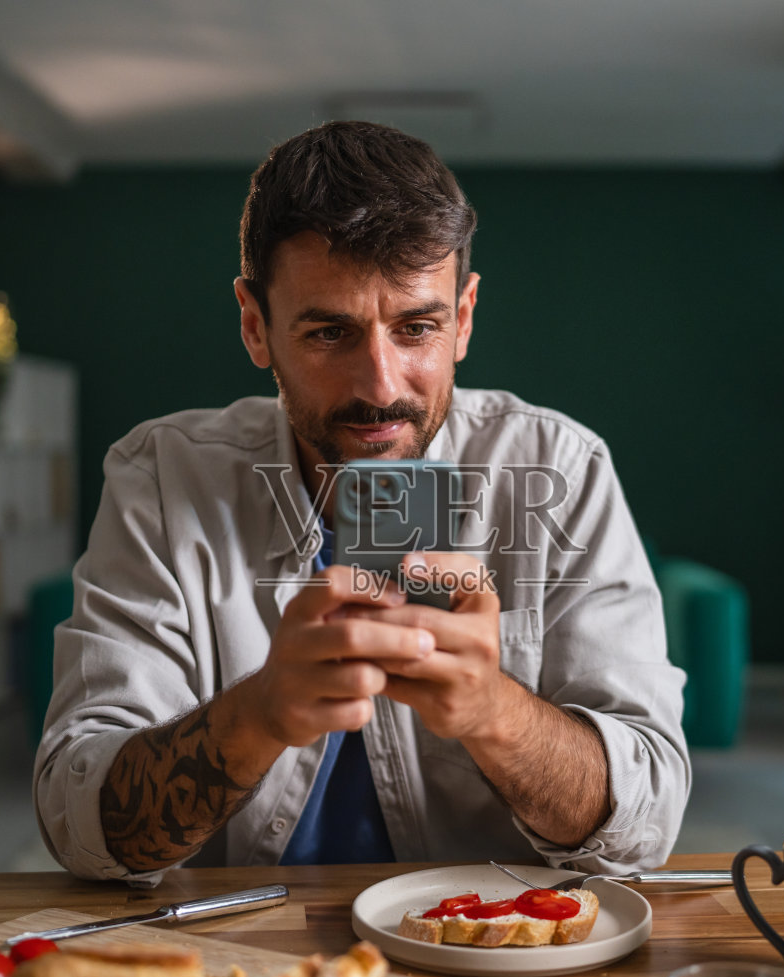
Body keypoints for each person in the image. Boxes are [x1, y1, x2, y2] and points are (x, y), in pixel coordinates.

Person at [34, 121, 689, 885]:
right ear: (256, 325)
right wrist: (263, 711)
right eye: (329, 332)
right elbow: (78, 822)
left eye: (417, 328)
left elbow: (647, 822)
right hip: (241, 959)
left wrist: (492, 713)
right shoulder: (163, 476)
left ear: (465, 319)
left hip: (489, 957)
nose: (380, 385)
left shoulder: (561, 469)